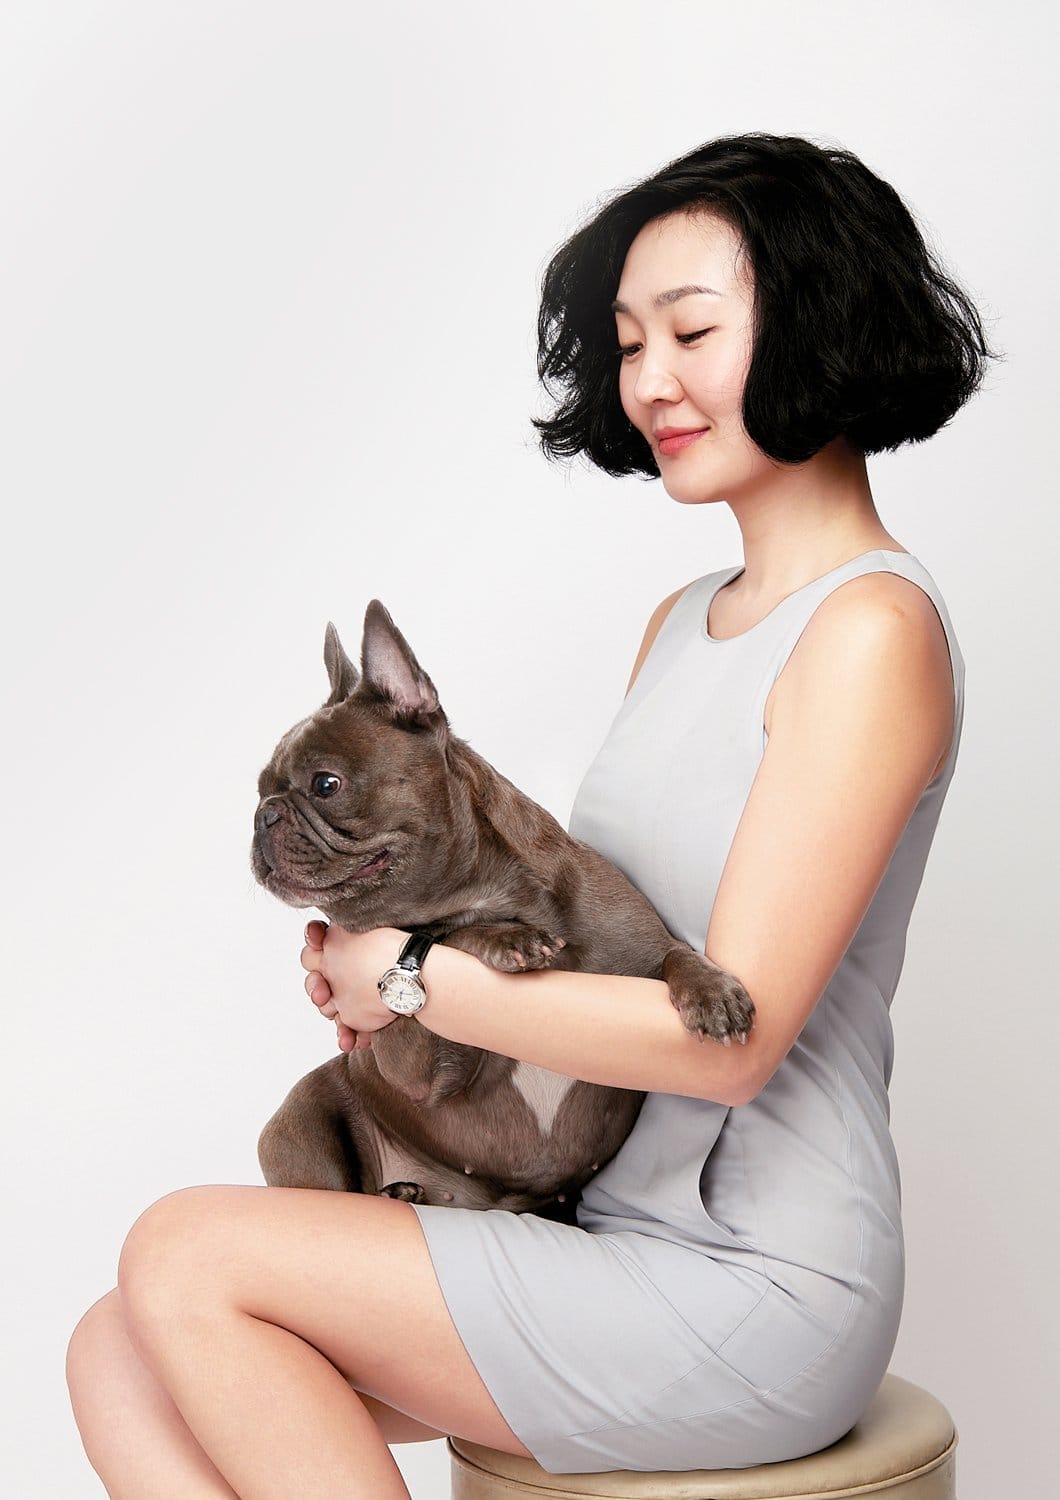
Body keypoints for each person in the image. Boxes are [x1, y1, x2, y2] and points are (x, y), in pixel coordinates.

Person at [66, 132, 988, 1498]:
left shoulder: (869, 631)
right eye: (628, 343)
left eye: (691, 332)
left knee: (184, 1252)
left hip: (754, 1277)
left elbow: (729, 1045)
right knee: (118, 1350)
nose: (650, 381)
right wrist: (390, 952)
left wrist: (414, 980)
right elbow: (570, 930)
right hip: (591, 1215)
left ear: (821, 326)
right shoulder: (682, 624)